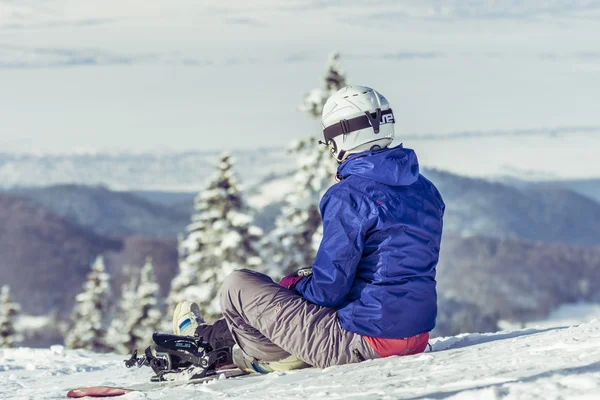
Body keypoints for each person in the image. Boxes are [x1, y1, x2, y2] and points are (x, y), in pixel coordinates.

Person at [173, 85, 445, 372]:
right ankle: (213, 337)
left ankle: (257, 352)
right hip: (413, 337)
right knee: (298, 289)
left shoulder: (349, 195)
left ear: (341, 136)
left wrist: (295, 285)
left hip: (363, 342)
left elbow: (327, 291)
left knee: (237, 286)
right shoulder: (426, 190)